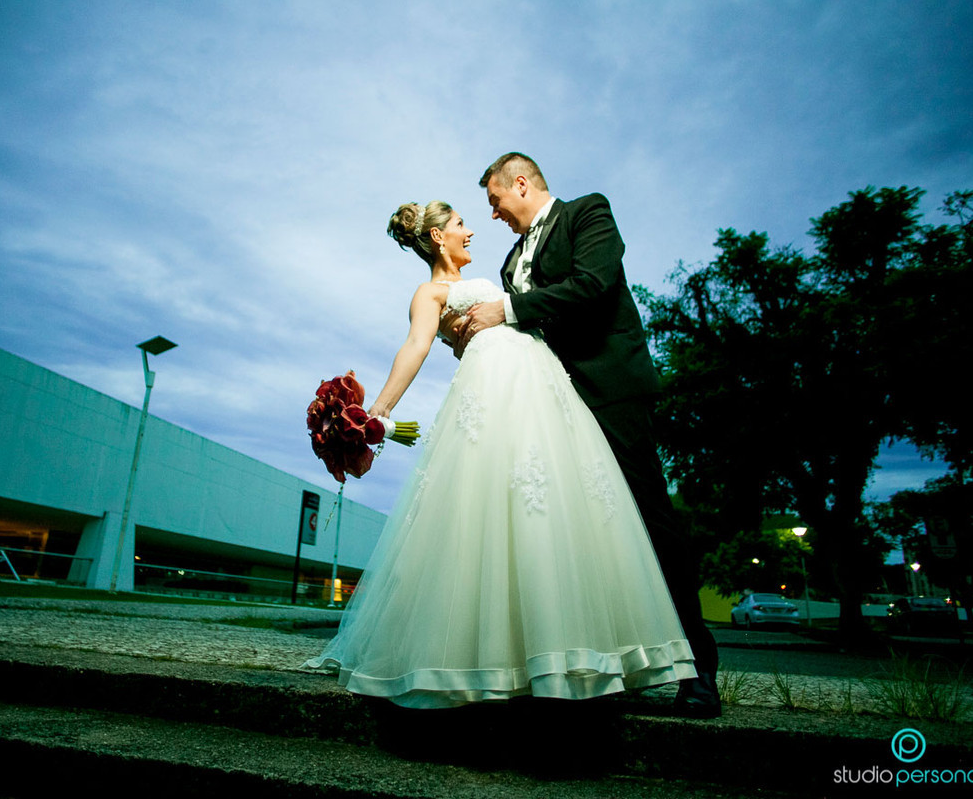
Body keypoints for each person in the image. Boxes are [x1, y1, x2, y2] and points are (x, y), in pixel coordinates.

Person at [303, 198, 696, 709]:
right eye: (463, 225)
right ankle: (493, 656)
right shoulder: (430, 291)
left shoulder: (500, 279)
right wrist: (374, 412)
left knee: (555, 500)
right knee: (492, 507)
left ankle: (569, 650)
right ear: (439, 237)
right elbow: (417, 346)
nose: (472, 232)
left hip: (540, 382)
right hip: (492, 386)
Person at [460, 152, 720, 718]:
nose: (495, 215)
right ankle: (604, 664)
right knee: (577, 532)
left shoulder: (587, 214)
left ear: (520, 183)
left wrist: (505, 309)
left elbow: (593, 284)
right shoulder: (509, 262)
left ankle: (698, 671)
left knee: (650, 519)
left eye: (496, 201)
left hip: (610, 388)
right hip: (550, 405)